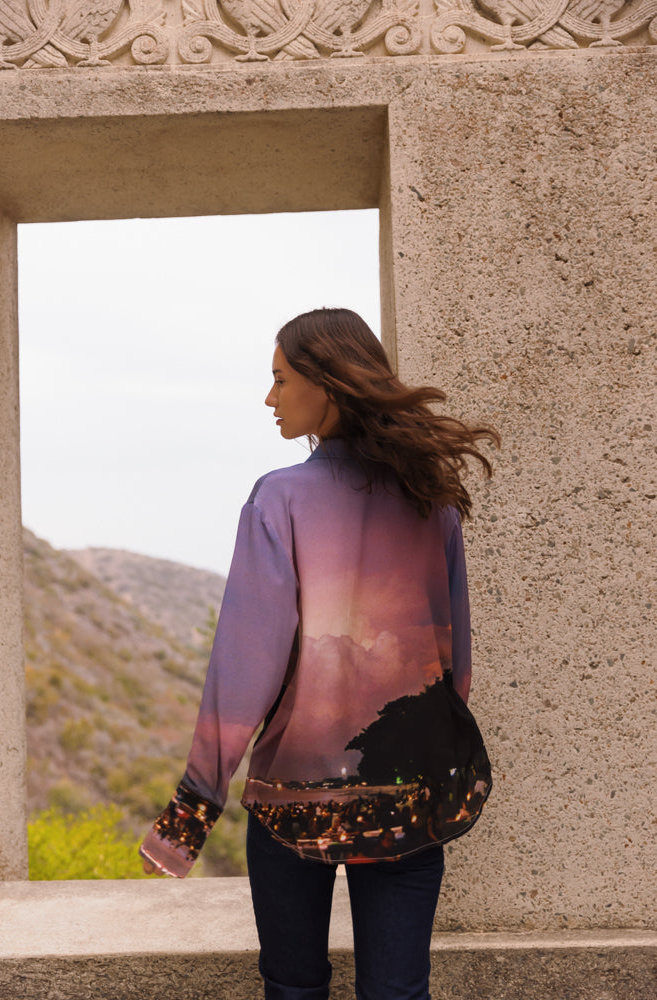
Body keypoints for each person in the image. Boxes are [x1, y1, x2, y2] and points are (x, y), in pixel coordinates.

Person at [140, 307, 499, 1000]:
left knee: (295, 988)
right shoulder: (432, 501)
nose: (269, 399)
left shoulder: (278, 499)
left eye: (279, 381)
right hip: (409, 794)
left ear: (326, 385)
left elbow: (242, 674)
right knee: (397, 993)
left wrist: (190, 813)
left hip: (294, 797)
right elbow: (456, 665)